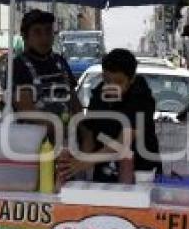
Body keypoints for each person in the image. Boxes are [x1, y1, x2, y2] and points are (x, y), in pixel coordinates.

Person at [57, 48, 161, 184]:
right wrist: (79, 164)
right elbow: (89, 133)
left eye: (118, 82)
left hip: (141, 173)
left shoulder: (141, 98)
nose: (111, 87)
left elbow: (122, 142)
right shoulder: (99, 94)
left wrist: (84, 162)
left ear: (132, 79)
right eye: (107, 80)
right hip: (104, 173)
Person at [12, 9, 82, 129]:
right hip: (34, 138)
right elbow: (25, 109)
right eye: (37, 32)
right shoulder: (18, 65)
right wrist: (57, 129)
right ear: (24, 36)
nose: (44, 38)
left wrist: (80, 128)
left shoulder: (60, 61)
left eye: (48, 31)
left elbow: (74, 102)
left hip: (68, 135)